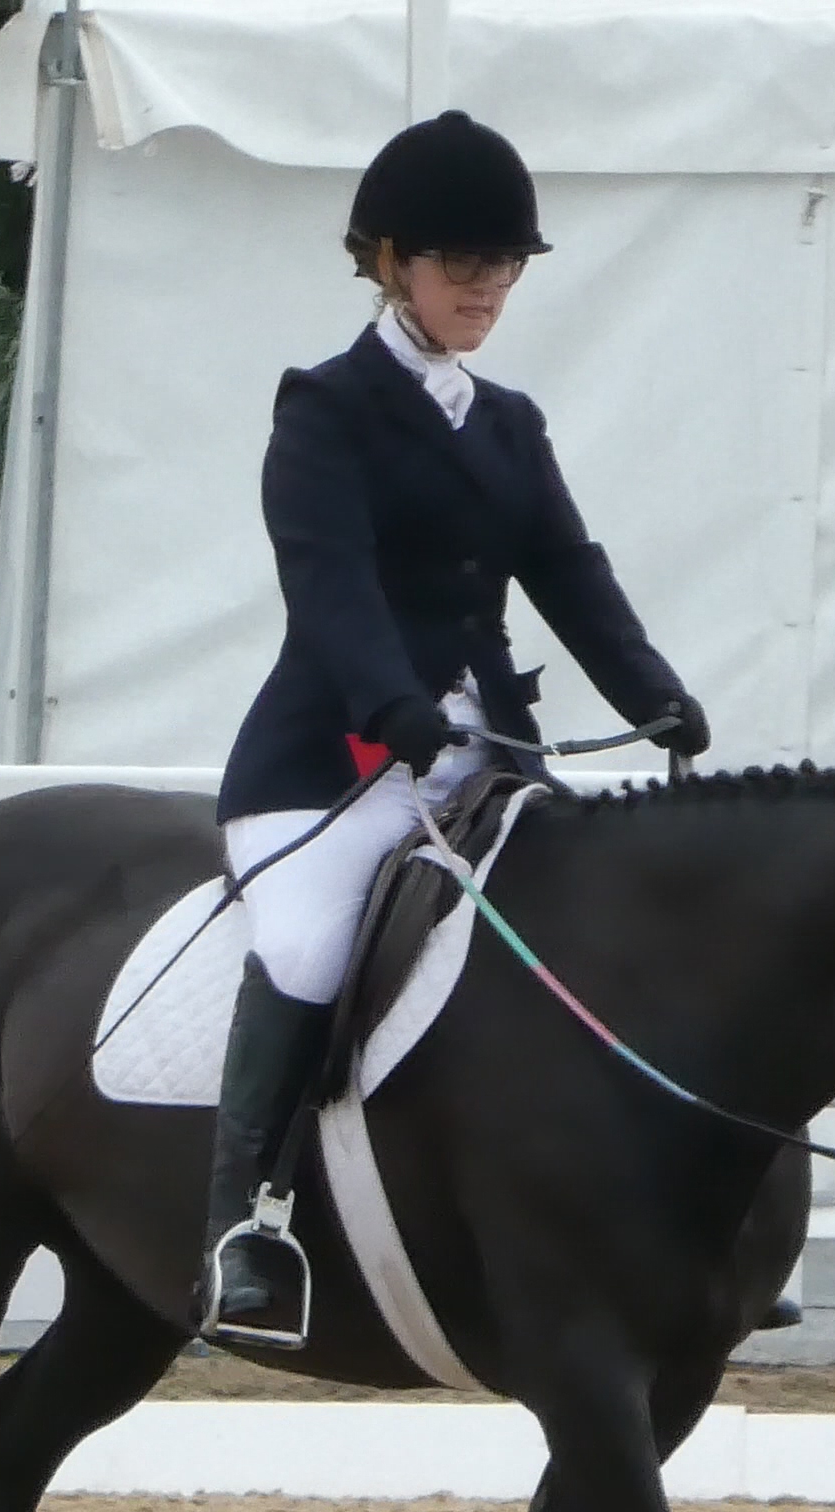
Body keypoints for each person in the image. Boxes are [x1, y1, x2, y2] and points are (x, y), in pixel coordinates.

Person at [200, 110, 708, 1344]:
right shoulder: (325, 409)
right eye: (463, 263)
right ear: (390, 261)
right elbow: (328, 583)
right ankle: (249, 1222)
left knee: (611, 925)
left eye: (505, 265)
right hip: (337, 761)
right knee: (309, 946)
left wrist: (655, 694)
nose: (487, 287)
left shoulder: (510, 422)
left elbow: (570, 572)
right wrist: (395, 707)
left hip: (487, 758)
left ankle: (669, 1219)